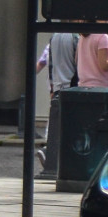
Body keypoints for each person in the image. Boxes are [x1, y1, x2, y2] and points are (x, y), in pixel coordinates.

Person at [35, 32, 77, 174]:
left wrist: (52, 86)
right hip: (72, 85)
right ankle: (52, 155)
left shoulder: (53, 39)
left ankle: (50, 151)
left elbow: (45, 62)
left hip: (57, 86)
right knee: (69, 124)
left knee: (55, 121)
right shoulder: (76, 38)